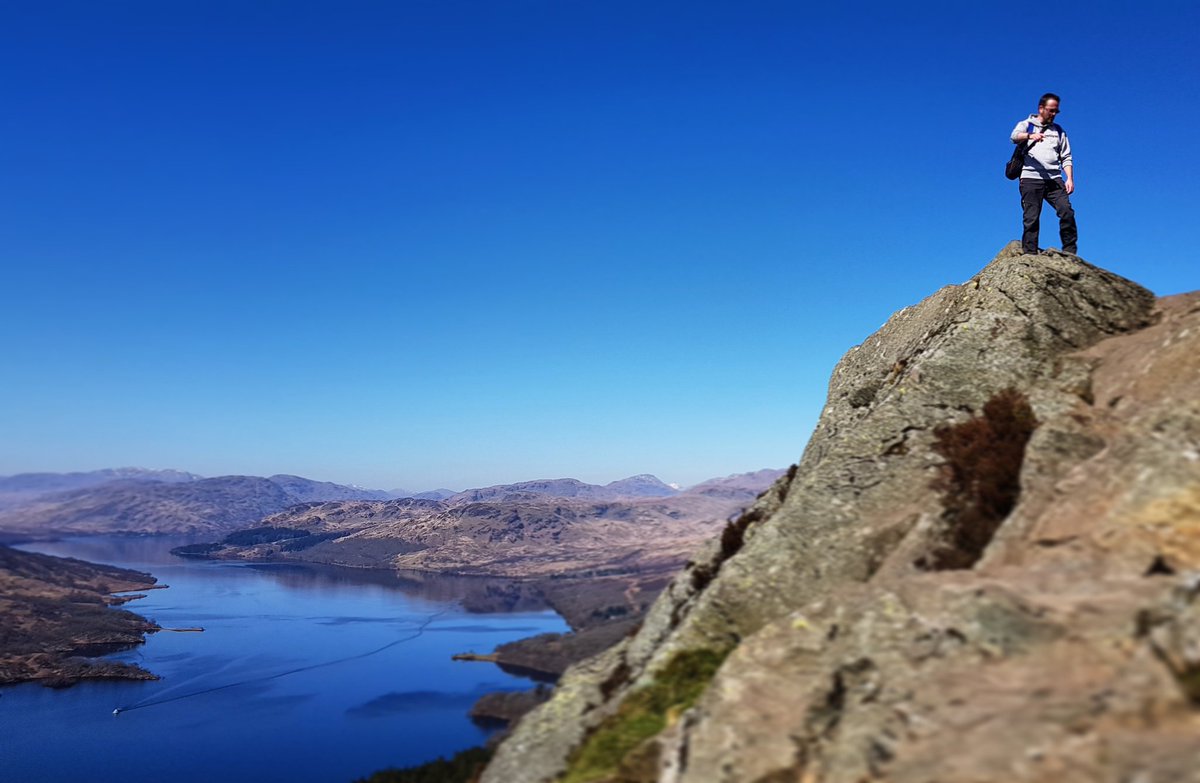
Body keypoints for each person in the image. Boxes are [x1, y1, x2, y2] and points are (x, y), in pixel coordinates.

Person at [1011, 93, 1076, 255]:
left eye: (1056, 111)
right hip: (1030, 179)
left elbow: (1066, 157)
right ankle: (1030, 254)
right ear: (1041, 109)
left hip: (1054, 179)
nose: (1053, 114)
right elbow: (1013, 136)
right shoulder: (1027, 124)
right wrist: (1030, 135)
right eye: (1051, 110)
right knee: (1031, 218)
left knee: (1066, 212)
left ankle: (1070, 253)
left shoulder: (1059, 131)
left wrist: (1069, 178)